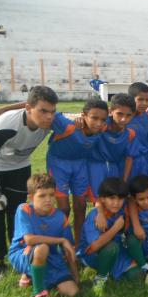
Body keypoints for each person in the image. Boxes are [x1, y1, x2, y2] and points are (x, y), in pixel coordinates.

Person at [0, 86, 58, 281]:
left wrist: (4, 107)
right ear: (29, 108)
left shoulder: (51, 121)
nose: (48, 117)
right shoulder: (3, 127)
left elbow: (84, 117)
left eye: (52, 112)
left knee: (18, 209)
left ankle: (18, 253)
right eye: (43, 111)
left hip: (19, 163)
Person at [8, 174, 79, 297]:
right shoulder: (24, 210)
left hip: (51, 256)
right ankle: (39, 295)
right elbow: (29, 240)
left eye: (51, 195)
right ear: (31, 197)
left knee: (72, 292)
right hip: (23, 253)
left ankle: (31, 276)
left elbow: (68, 250)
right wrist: (60, 240)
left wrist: (76, 278)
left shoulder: (60, 217)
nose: (48, 200)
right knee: (42, 248)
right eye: (42, 196)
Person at [79, 178, 148, 296]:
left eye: (120, 199)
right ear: (103, 199)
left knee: (136, 275)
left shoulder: (120, 209)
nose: (116, 203)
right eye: (112, 198)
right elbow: (94, 247)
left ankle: (115, 271)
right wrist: (115, 228)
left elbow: (131, 200)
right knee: (111, 248)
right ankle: (100, 279)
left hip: (117, 251)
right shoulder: (95, 217)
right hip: (93, 255)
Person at [47, 98, 109, 244]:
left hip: (80, 165)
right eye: (94, 118)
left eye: (103, 119)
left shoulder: (102, 128)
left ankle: (78, 244)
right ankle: (61, 243)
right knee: (64, 209)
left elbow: (121, 115)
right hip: (58, 165)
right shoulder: (68, 125)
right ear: (84, 115)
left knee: (80, 206)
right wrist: (2, 110)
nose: (99, 123)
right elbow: (43, 107)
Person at [87, 93, 139, 203]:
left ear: (133, 115)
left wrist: (124, 181)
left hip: (115, 168)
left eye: (128, 115)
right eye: (119, 114)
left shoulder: (130, 134)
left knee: (114, 198)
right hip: (96, 166)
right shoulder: (100, 125)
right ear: (111, 111)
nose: (123, 119)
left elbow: (129, 158)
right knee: (98, 200)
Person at [126, 82, 148, 177]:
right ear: (131, 99)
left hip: (143, 162)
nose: (144, 103)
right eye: (140, 99)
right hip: (125, 162)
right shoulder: (122, 117)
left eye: (147, 100)